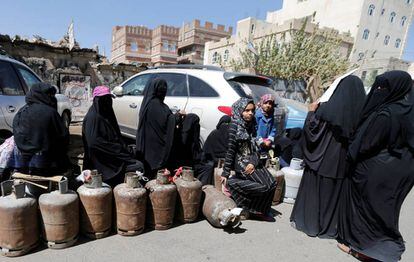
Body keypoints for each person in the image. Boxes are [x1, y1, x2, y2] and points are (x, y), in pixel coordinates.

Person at [337, 71, 414, 261]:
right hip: (400, 174)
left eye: (384, 88)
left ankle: (368, 249)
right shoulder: (409, 111)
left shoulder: (387, 113)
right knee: (385, 211)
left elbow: (367, 145)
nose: (379, 91)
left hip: (374, 172)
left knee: (368, 211)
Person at [290, 75, 366, 238]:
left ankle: (309, 224)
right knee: (332, 196)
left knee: (314, 192)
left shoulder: (327, 109)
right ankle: (328, 228)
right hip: (342, 166)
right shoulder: (362, 115)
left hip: (321, 161)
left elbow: (312, 133)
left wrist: (310, 113)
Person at [221, 97, 277, 221]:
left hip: (252, 159)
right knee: (264, 186)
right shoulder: (233, 126)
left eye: (252, 111)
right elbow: (230, 150)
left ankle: (261, 211)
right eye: (247, 110)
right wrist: (225, 173)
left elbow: (255, 146)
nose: (250, 113)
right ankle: (232, 183)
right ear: (239, 110)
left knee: (272, 183)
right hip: (241, 163)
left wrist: (253, 161)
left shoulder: (251, 124)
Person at [12, 83, 71, 194]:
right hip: (45, 166)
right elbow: (63, 138)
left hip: (21, 164)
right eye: (50, 95)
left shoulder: (21, 112)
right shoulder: (50, 113)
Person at [136, 78, 201, 177]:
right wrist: (178, 116)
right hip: (156, 149)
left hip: (148, 143)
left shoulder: (148, 104)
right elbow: (166, 122)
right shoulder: (156, 105)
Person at [82, 86, 143, 187]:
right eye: (103, 99)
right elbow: (94, 143)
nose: (107, 101)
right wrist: (119, 151)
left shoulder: (106, 115)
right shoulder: (93, 118)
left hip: (113, 157)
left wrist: (125, 150)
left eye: (108, 98)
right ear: (97, 100)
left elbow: (116, 137)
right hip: (103, 163)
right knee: (139, 166)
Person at [195, 115, 231, 185]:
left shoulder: (214, 133)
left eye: (227, 124)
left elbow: (205, 149)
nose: (225, 126)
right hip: (223, 163)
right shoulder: (230, 134)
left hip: (211, 160)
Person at [255, 94, 277, 161]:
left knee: (265, 156)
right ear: (261, 103)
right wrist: (261, 140)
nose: (268, 105)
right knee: (256, 156)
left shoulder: (271, 115)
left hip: (267, 141)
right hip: (258, 140)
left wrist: (269, 139)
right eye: (265, 103)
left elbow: (273, 128)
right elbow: (255, 129)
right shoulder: (257, 115)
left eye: (270, 103)